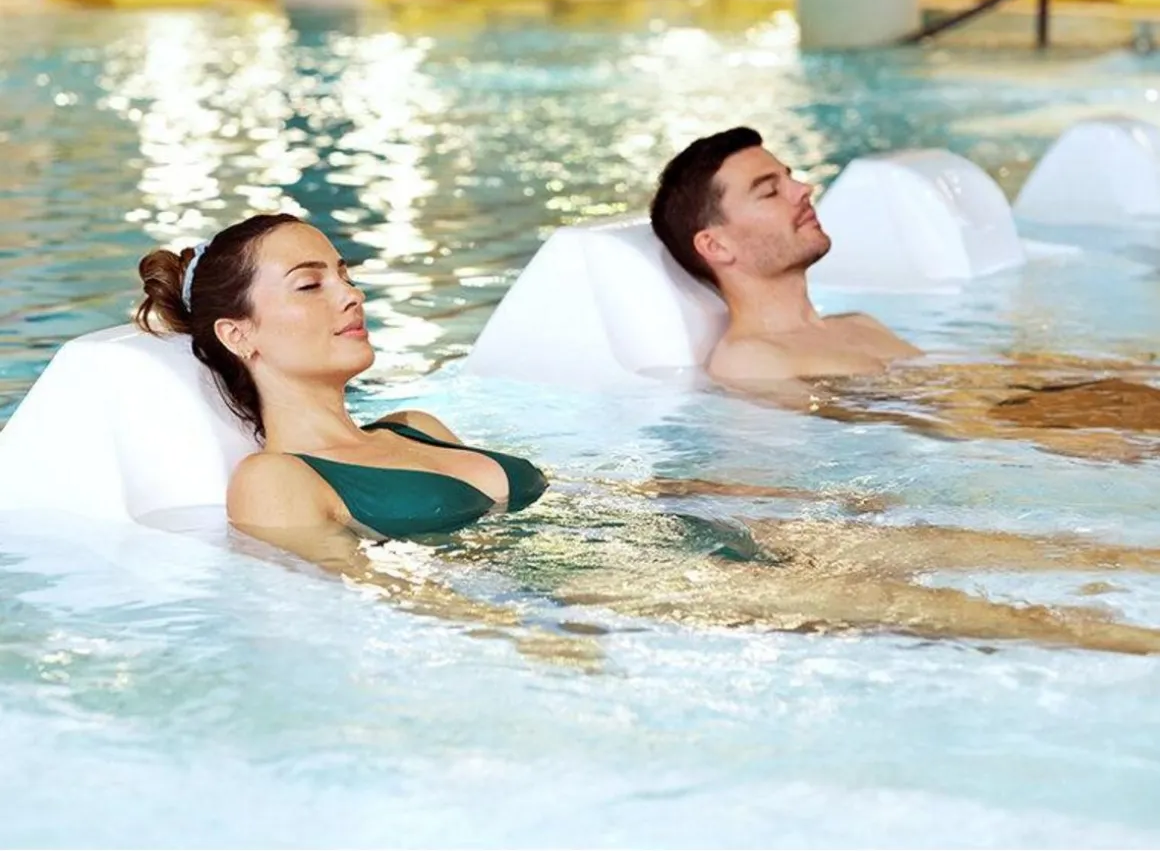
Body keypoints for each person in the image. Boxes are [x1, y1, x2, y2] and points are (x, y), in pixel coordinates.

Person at [135, 213, 1160, 659]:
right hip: (631, 592)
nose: (349, 294)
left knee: (1050, 552)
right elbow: (373, 594)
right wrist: (521, 642)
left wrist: (733, 505)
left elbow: (568, 502)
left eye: (345, 273)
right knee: (976, 615)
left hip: (689, 541)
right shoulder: (276, 479)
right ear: (239, 334)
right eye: (310, 284)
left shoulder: (417, 425)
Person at [650, 127, 1160, 460]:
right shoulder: (751, 360)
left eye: (790, 177)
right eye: (770, 190)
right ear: (715, 245)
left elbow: (974, 385)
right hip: (1054, 449)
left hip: (1066, 426)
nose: (802, 189)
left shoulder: (858, 325)